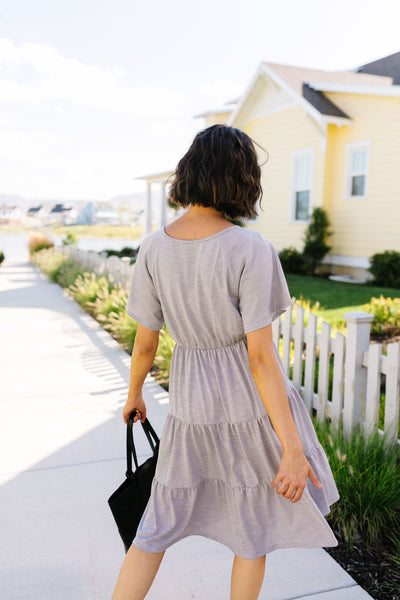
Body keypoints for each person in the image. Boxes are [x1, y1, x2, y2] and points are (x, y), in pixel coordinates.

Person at [111, 124, 339, 600]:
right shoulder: (249, 249)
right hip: (248, 408)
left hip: (190, 406)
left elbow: (146, 343)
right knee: (250, 529)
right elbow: (260, 357)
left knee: (155, 523)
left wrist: (134, 395)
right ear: (242, 179)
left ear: (189, 172)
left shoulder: (153, 247)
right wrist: (291, 447)